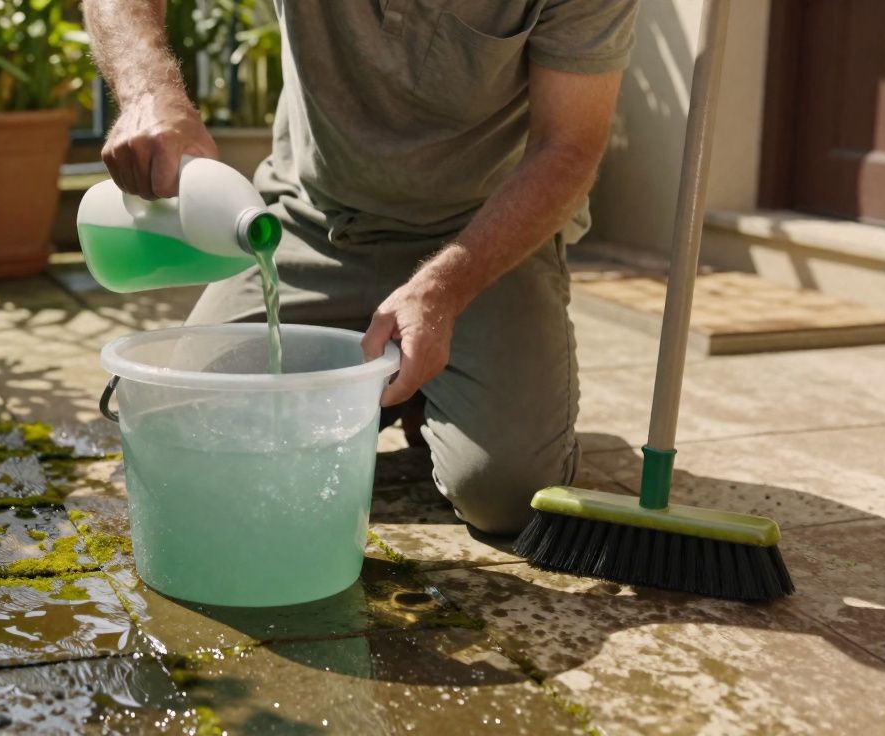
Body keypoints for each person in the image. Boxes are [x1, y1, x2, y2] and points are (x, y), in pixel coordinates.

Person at [82, 0, 638, 535]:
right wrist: (147, 91)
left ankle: (424, 385)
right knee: (194, 433)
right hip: (311, 220)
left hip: (485, 242)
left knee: (508, 495)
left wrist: (443, 290)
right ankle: (409, 384)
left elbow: (568, 147)